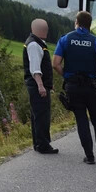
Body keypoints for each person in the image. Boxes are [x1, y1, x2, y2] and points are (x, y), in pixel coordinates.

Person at [52, 11, 96, 165]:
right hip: (92, 88)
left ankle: (89, 156)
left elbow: (55, 63)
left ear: (76, 22)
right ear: (89, 24)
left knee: (81, 121)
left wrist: (66, 76)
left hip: (73, 87)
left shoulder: (65, 40)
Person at [23, 18, 58, 154]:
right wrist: (41, 85)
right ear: (37, 30)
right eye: (44, 28)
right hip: (37, 86)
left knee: (38, 115)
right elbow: (35, 68)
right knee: (42, 116)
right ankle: (43, 145)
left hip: (39, 86)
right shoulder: (34, 45)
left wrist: (49, 84)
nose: (46, 30)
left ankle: (38, 143)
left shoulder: (37, 43)